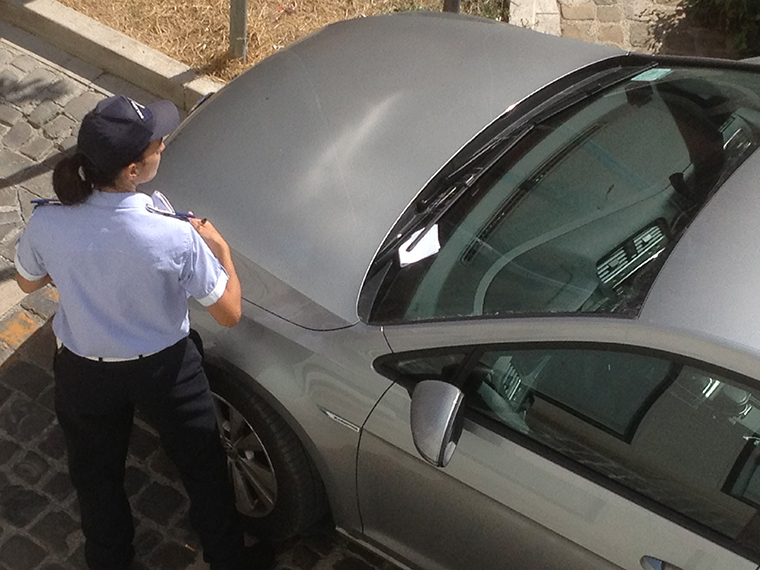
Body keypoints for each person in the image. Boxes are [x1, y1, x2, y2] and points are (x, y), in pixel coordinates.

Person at [13, 95, 274, 570]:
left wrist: (76, 264)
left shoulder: (49, 220)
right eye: (158, 145)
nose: (163, 149)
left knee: (96, 478)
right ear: (133, 170)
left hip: (84, 373)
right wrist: (222, 251)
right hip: (166, 371)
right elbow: (229, 312)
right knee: (204, 469)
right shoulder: (172, 234)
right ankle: (227, 559)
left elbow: (29, 281)